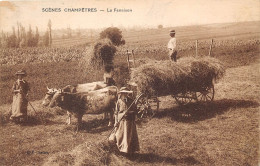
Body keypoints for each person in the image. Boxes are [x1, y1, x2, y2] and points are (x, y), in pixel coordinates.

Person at [109, 87, 140, 155]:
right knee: (120, 136)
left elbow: (135, 111)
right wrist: (116, 121)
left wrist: (129, 112)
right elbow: (116, 113)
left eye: (126, 93)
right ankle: (121, 150)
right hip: (122, 121)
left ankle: (130, 151)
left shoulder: (131, 101)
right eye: (123, 93)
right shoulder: (119, 101)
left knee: (129, 136)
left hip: (130, 121)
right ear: (121, 94)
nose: (125, 95)